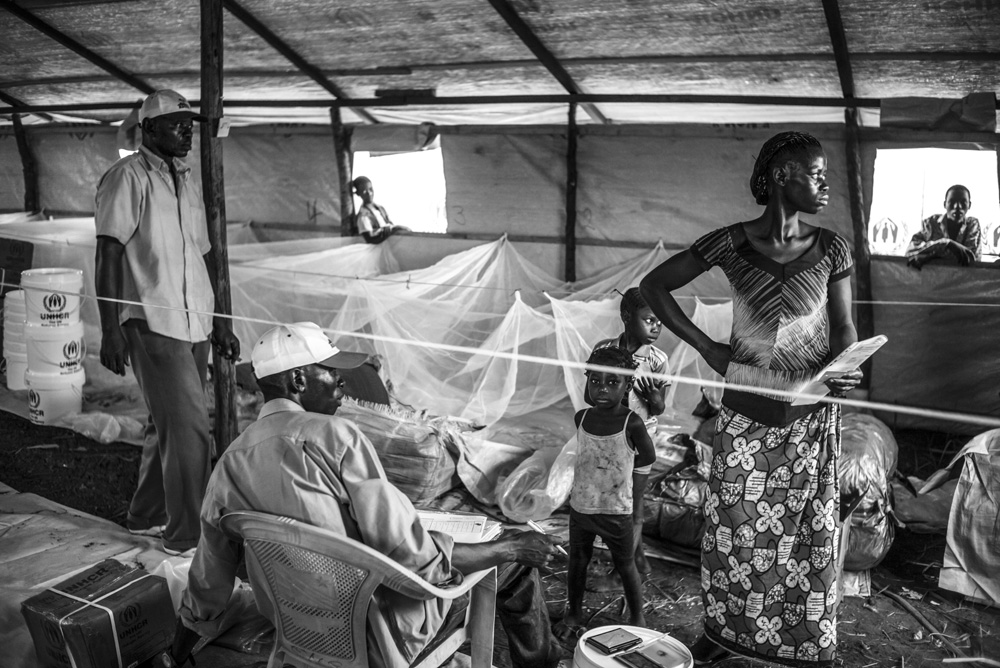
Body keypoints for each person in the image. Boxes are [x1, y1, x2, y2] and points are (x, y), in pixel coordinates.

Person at [164, 322, 565, 668]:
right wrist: (508, 548)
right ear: (298, 381)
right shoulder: (337, 437)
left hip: (299, 629)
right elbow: (415, 561)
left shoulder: (230, 464)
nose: (342, 381)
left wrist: (176, 654)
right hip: (379, 634)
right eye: (331, 372)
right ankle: (544, 661)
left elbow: (208, 577)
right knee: (514, 561)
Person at [640, 131, 863, 666]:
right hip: (745, 413)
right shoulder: (731, 244)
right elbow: (653, 286)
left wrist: (846, 365)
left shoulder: (832, 248)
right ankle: (725, 634)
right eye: (816, 174)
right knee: (734, 533)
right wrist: (709, 349)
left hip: (810, 415)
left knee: (808, 535)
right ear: (783, 176)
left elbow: (845, 325)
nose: (826, 186)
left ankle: (807, 645)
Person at [94, 89, 240, 556]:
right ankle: (188, 537)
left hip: (194, 319)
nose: (187, 131)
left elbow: (205, 253)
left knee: (167, 425)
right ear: (148, 129)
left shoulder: (185, 179)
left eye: (190, 124)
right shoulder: (127, 178)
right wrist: (110, 326)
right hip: (151, 318)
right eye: (176, 124)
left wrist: (219, 320)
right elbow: (109, 250)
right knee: (192, 428)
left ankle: (146, 516)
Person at [555, 346, 656, 641]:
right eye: (595, 381)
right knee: (577, 560)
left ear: (627, 386)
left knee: (625, 563)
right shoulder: (582, 418)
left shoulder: (632, 423)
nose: (602, 389)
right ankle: (574, 612)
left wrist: (634, 497)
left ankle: (638, 617)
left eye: (613, 382)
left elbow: (646, 458)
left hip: (616, 510)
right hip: (582, 506)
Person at [588, 287, 669, 587]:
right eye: (649, 319)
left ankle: (620, 570)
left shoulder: (658, 360)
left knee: (632, 507)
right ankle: (640, 558)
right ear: (626, 317)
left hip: (640, 439)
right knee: (609, 501)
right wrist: (611, 390)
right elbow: (589, 395)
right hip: (608, 439)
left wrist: (653, 396)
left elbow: (659, 409)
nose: (656, 326)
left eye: (660, 321)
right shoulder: (604, 351)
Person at [906, 185, 981, 269]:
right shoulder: (931, 223)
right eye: (952, 202)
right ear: (945, 204)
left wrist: (930, 255)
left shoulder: (972, 224)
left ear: (969, 205)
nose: (957, 206)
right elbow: (911, 251)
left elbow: (969, 257)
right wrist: (946, 244)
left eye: (963, 202)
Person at [353, 176, 409, 244]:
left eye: (371, 189)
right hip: (378, 247)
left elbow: (389, 223)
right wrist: (391, 231)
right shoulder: (363, 215)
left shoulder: (380, 208)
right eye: (364, 191)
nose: (369, 193)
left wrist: (396, 229)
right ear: (359, 194)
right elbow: (370, 239)